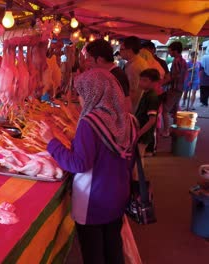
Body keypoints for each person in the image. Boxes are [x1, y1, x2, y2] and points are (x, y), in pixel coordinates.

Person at [41, 68, 139, 264]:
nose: (81, 98)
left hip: (93, 199)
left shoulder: (89, 123)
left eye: (81, 93)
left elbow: (78, 164)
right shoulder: (129, 120)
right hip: (119, 194)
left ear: (93, 93)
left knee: (93, 253)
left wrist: (51, 141)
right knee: (113, 247)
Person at [85, 39, 132, 112]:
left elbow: (127, 106)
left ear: (99, 60)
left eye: (90, 60)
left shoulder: (116, 76)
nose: (89, 65)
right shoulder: (107, 74)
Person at [162, 41, 188, 137]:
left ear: (175, 51)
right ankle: (176, 129)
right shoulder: (183, 61)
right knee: (176, 110)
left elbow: (174, 76)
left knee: (165, 110)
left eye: (170, 50)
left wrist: (164, 81)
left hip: (174, 88)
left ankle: (166, 131)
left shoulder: (176, 61)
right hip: (180, 88)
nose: (169, 53)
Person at [120, 36, 149, 113]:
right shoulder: (139, 61)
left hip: (134, 107)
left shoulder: (134, 66)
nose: (120, 52)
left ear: (129, 50)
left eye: (122, 49)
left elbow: (133, 90)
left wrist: (127, 110)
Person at [135, 69, 160, 157]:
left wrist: (139, 133)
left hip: (144, 132)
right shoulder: (146, 93)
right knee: (138, 155)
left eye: (144, 80)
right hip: (141, 130)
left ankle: (138, 171)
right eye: (140, 79)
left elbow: (152, 120)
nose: (141, 82)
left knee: (139, 155)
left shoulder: (152, 97)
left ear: (154, 83)